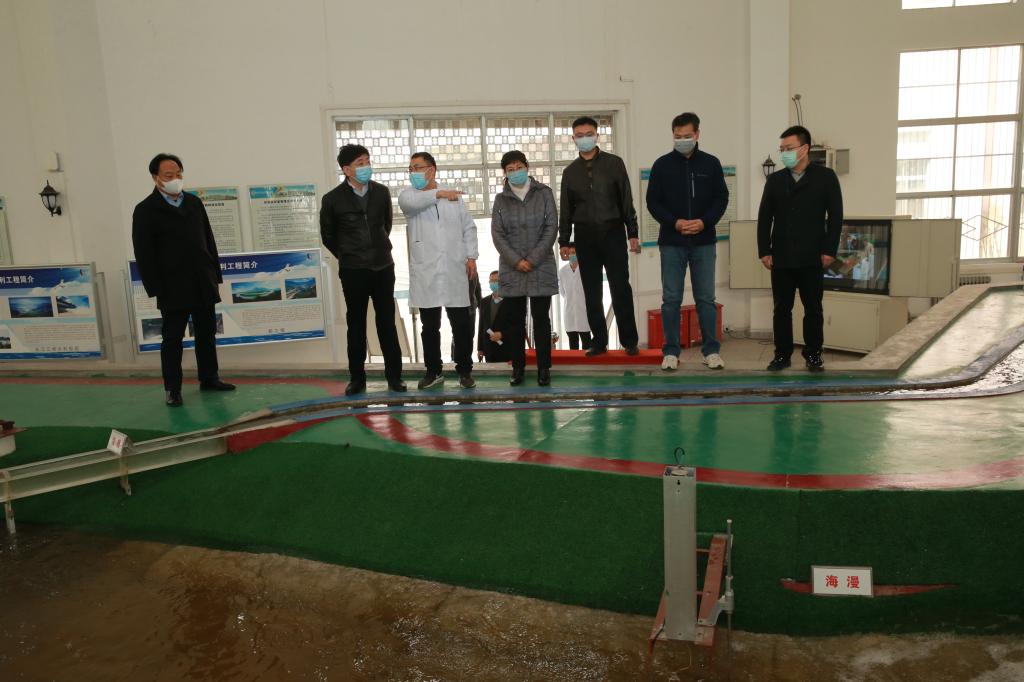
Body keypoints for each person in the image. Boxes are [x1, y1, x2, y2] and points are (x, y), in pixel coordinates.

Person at [132, 153, 235, 407]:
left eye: (178, 174)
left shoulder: (194, 203)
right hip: (172, 287)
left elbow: (208, 240)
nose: (175, 179)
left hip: (202, 281)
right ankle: (172, 388)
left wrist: (215, 275)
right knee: (172, 339)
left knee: (206, 333)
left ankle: (209, 378)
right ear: (155, 178)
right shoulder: (145, 210)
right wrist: (155, 288)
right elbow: (144, 254)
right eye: (169, 175)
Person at [646, 112, 729, 371]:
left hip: (704, 241)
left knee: (706, 298)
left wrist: (705, 222)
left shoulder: (711, 164)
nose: (682, 140)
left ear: (697, 134)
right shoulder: (661, 165)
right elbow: (653, 202)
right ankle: (671, 351)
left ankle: (711, 351)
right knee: (671, 298)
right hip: (672, 242)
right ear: (672, 135)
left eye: (687, 136)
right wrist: (675, 223)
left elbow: (721, 199)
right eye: (677, 136)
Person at [320, 144, 406, 395]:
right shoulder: (332, 199)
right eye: (360, 163)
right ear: (347, 170)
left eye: (367, 161)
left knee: (387, 323)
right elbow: (328, 236)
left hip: (383, 267)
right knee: (356, 325)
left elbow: (385, 226)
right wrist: (349, 255)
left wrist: (376, 250)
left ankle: (395, 377)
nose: (366, 166)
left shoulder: (381, 192)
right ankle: (357, 378)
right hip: (353, 270)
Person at [757, 125, 843, 373]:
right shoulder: (775, 180)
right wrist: (764, 250)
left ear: (804, 149)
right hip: (781, 256)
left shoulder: (826, 177)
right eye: (781, 149)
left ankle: (813, 354)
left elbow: (835, 217)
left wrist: (829, 250)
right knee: (781, 309)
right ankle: (782, 355)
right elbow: (765, 217)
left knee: (813, 309)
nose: (784, 153)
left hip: (812, 256)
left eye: (789, 148)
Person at [558, 116, 640, 357]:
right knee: (591, 292)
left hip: (613, 233)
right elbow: (566, 209)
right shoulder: (570, 172)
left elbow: (626, 199)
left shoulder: (614, 164)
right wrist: (564, 240)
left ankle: (629, 341)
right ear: (573, 139)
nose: (585, 138)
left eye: (589, 134)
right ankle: (599, 341)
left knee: (620, 288)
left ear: (597, 135)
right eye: (580, 135)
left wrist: (632, 232)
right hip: (584, 237)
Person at [398, 152, 479, 390]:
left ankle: (465, 371)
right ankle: (433, 371)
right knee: (430, 327)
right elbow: (411, 205)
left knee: (461, 325)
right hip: (427, 272)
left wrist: (471, 256)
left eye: (417, 167)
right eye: (410, 168)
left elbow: (468, 227)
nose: (413, 172)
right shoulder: (409, 195)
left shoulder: (455, 199)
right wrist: (439, 194)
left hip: (454, 268)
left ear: (431, 170)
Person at [491, 150, 558, 386]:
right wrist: (516, 261)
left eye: (518, 167)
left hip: (541, 265)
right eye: (510, 169)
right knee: (514, 322)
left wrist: (533, 258)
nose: (515, 172)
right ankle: (518, 368)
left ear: (527, 167)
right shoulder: (501, 199)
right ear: (505, 173)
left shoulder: (544, 193)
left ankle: (544, 368)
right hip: (512, 268)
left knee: (541, 320)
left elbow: (551, 227)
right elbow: (497, 234)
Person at [557, 243, 591, 351]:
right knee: (573, 345)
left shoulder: (586, 269)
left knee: (587, 343)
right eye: (571, 253)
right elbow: (562, 292)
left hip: (584, 312)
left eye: (575, 253)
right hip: (570, 313)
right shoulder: (562, 272)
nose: (573, 255)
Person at [477, 271, 511, 363]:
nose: (493, 283)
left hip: (506, 348)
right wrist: (480, 348)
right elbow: (481, 325)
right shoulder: (484, 301)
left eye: (496, 281)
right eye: (491, 281)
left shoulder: (510, 302)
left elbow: (516, 326)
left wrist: (502, 335)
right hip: (488, 348)